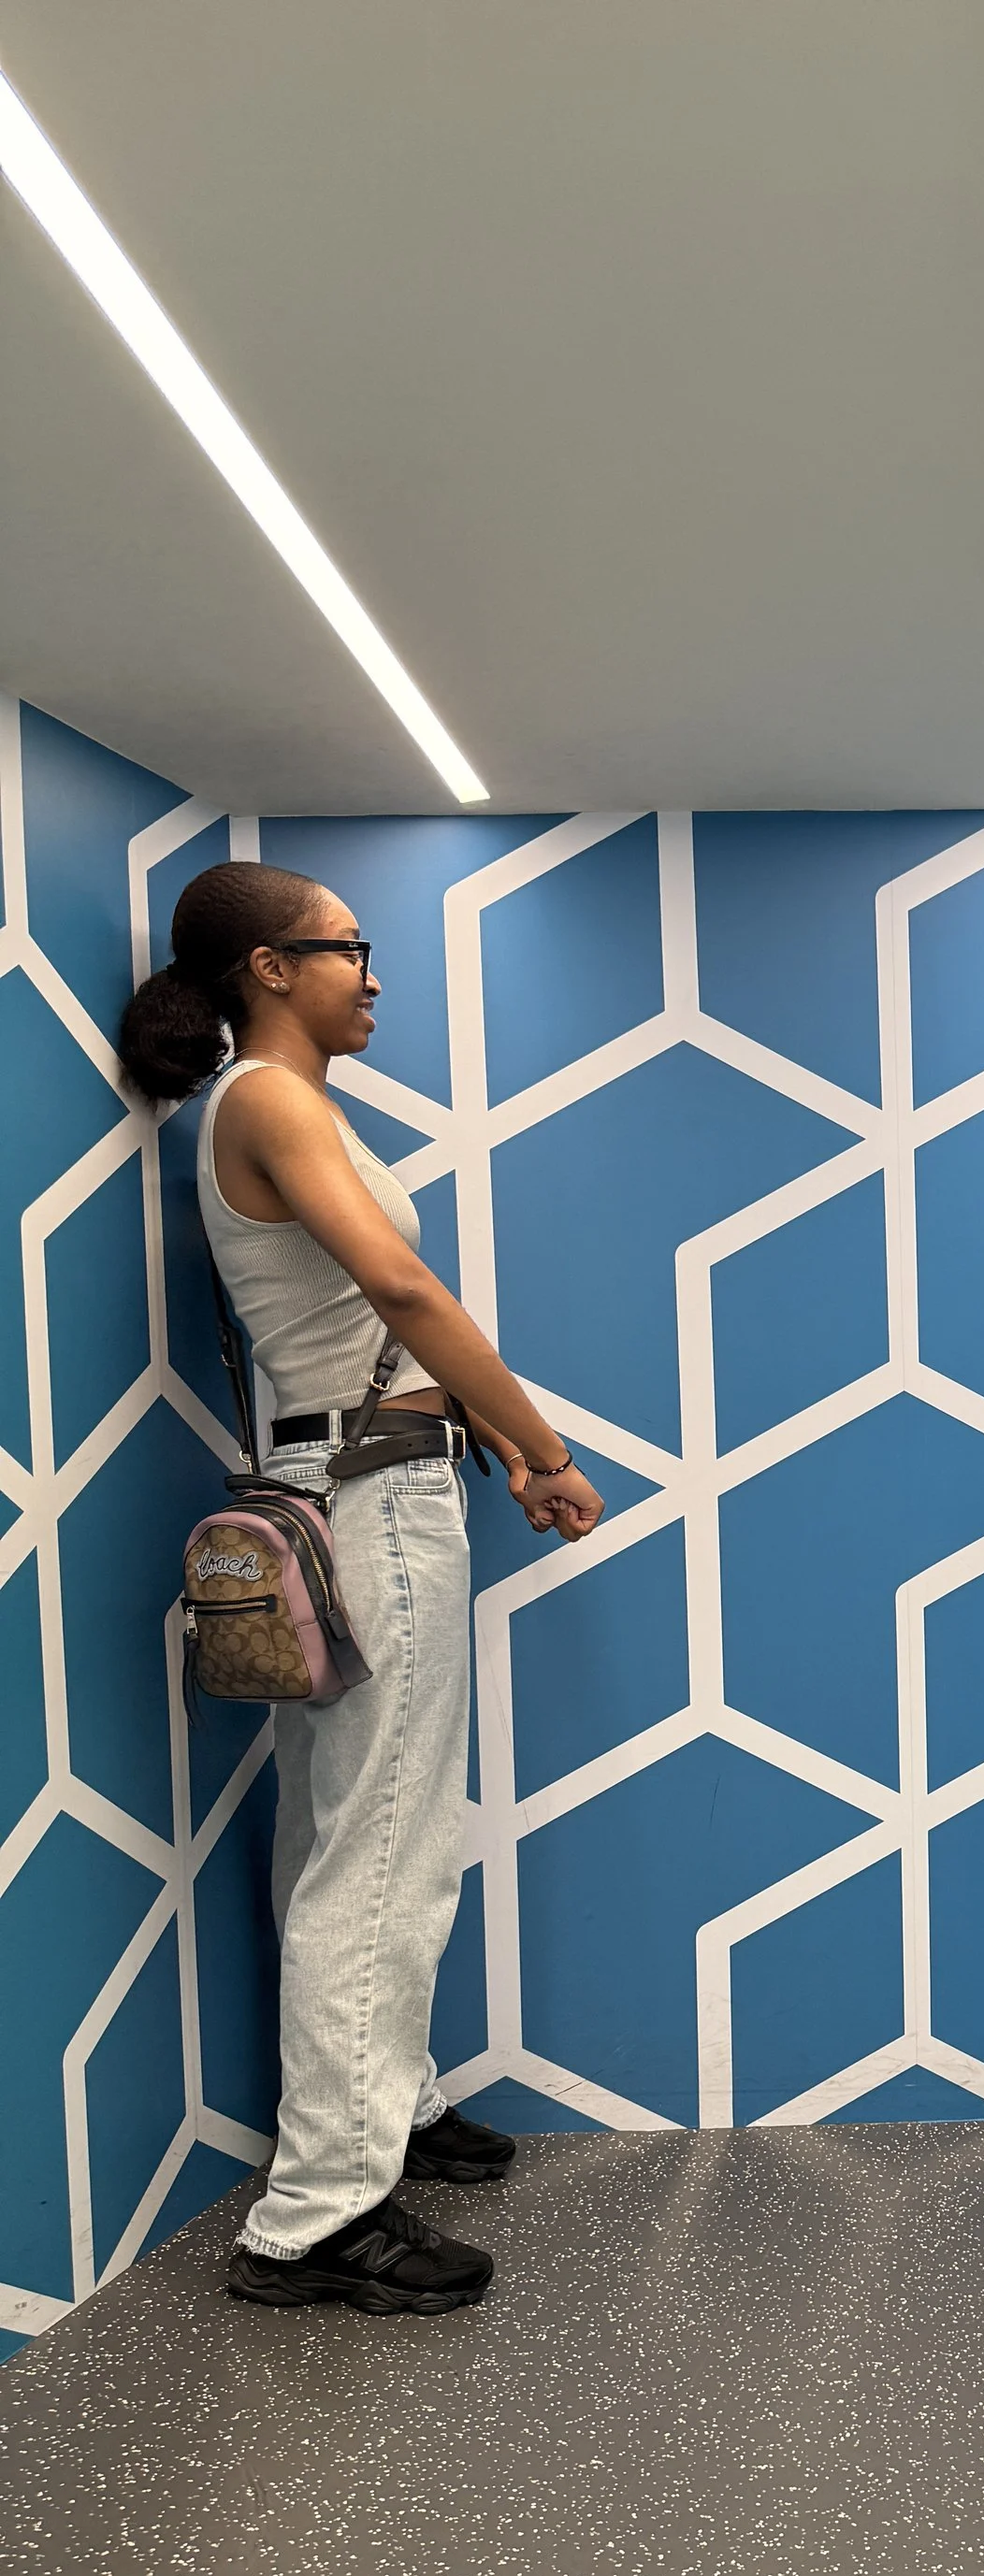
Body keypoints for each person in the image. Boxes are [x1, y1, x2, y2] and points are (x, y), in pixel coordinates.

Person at [119, 863, 604, 2311]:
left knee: (350, 1825)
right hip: (372, 1499)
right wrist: (539, 1447)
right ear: (271, 968)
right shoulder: (268, 1102)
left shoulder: (260, 1105)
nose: (373, 975)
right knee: (386, 1842)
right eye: (350, 948)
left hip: (347, 1482)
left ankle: (383, 2105)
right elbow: (402, 1290)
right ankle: (322, 2213)